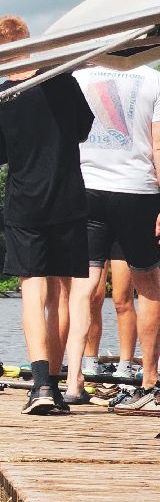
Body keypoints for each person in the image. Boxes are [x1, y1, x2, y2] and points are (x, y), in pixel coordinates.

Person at [0, 15, 94, 415]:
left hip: (25, 202)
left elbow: (1, 156)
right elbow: (83, 130)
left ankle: (42, 384)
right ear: (28, 43)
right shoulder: (62, 81)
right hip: (67, 197)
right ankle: (57, 385)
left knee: (33, 291)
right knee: (62, 293)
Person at [60, 62, 160, 404]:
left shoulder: (78, 77)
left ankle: (74, 381)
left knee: (82, 288)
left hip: (87, 189)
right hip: (137, 191)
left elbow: (64, 137)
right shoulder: (154, 79)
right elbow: (158, 147)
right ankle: (149, 378)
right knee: (148, 285)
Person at [84, 252, 138, 381]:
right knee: (93, 298)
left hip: (123, 241)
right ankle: (91, 362)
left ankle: (125, 365)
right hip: (95, 239)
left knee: (122, 300)